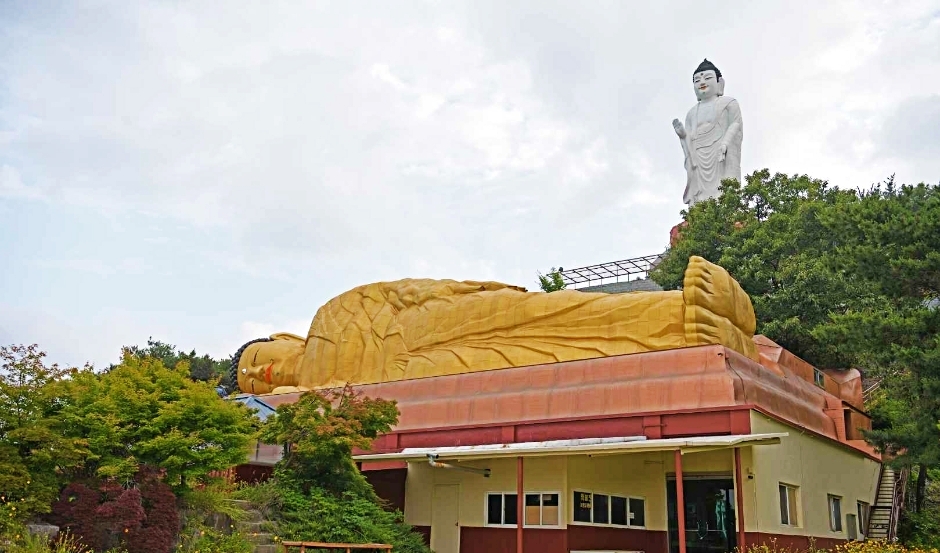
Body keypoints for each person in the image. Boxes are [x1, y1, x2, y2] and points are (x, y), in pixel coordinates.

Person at [233, 256, 757, 394]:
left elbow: (404, 291)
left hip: (424, 321)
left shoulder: (332, 313)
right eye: (252, 382)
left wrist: (469, 289)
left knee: (549, 312)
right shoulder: (307, 395)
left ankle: (680, 309)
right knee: (544, 354)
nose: (261, 374)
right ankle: (691, 336)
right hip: (421, 369)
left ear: (282, 338)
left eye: (256, 360)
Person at [672, 59, 743, 205]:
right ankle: (700, 208)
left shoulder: (728, 103)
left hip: (720, 152)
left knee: (723, 187)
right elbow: (690, 138)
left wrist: (725, 143)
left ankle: (725, 205)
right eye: (697, 80)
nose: (702, 82)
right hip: (699, 155)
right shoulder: (691, 113)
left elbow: (735, 124)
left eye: (708, 78)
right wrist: (683, 136)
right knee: (700, 195)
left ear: (719, 83)